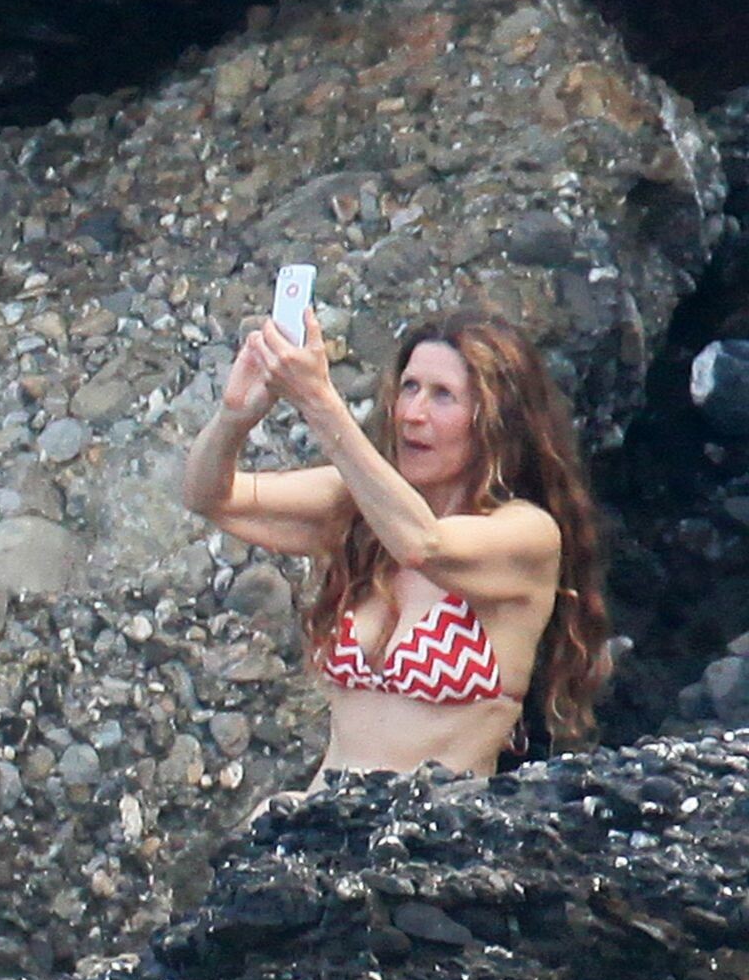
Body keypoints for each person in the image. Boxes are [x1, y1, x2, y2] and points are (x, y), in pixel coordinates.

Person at [182, 304, 609, 797]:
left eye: (443, 395)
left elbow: (423, 544)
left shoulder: (526, 534)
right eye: (409, 387)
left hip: (433, 824)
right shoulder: (356, 508)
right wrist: (234, 416)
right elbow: (209, 497)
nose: (412, 413)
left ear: (496, 419)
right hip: (324, 817)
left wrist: (320, 402)